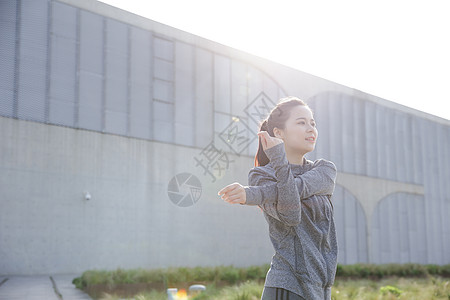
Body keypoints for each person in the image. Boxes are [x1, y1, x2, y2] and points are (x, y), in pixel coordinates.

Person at [218, 96, 338, 300]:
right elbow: (291, 215)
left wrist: (252, 195)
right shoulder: (262, 175)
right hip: (288, 287)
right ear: (278, 133)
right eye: (301, 122)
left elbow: (298, 187)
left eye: (313, 123)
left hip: (321, 288)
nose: (311, 129)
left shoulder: (324, 170)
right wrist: (279, 160)